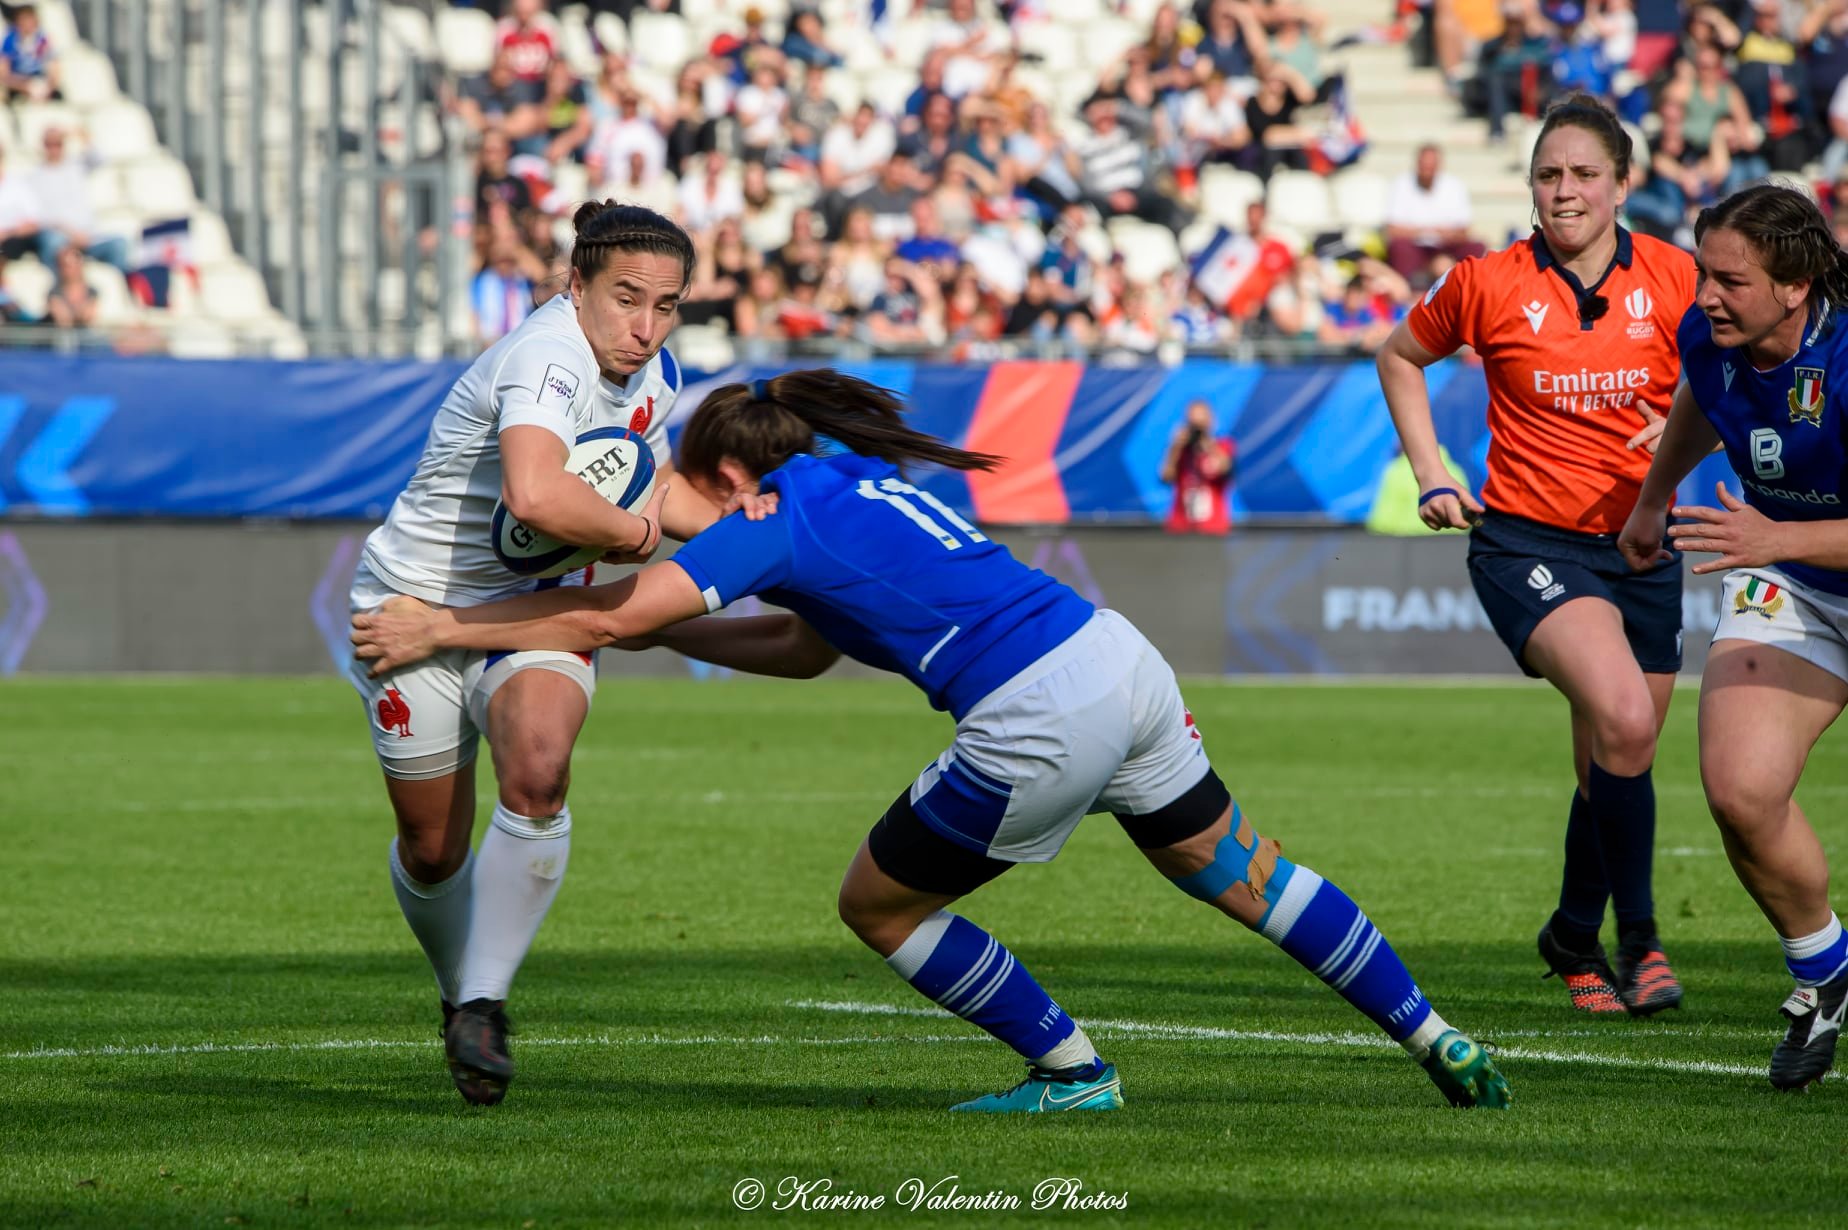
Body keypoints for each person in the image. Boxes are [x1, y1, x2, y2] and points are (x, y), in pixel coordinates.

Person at [352, 369, 1513, 1114]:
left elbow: (610, 607)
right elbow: (806, 650)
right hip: (1118, 660)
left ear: (722, 474)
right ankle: (1435, 1036)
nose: (658, 519)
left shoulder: (762, 516)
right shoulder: (847, 472)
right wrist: (661, 645)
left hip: (1030, 714)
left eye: (671, 492)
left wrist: (441, 623)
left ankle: (1071, 1074)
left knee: (880, 908)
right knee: (1247, 873)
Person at [348, 201, 725, 1108]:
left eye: (666, 306)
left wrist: (739, 542)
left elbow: (653, 479)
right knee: (432, 849)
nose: (645, 327)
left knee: (539, 768)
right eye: (626, 298)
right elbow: (539, 495)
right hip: (411, 612)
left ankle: (483, 1002)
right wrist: (639, 537)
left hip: (533, 612)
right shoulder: (546, 356)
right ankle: (457, 994)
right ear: (575, 287)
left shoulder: (655, 375)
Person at [1375, 93, 1698, 1018]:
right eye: (1549, 175)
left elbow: (1735, 386)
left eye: (1585, 174)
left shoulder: (1677, 278)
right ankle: (1642, 946)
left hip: (1644, 542)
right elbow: (1399, 356)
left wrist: (1688, 444)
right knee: (1627, 722)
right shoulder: (1486, 280)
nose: (1565, 192)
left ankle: (1569, 934)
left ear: (1623, 185)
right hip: (1527, 543)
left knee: (1613, 755)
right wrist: (1433, 473)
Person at [1618, 183, 1848, 1089]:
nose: (1706, 296)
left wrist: (1772, 537)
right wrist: (1649, 503)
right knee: (1740, 790)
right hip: (1790, 579)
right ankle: (1825, 974)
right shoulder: (1707, 338)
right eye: (1703, 273)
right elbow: (1697, 405)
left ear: (1794, 287)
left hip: (1778, 545)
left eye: (1730, 279)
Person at [1160, 399, 1236, 534]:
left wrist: (1208, 443)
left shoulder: (1223, 446)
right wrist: (1174, 447)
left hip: (1213, 527)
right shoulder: (1181, 450)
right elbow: (1165, 477)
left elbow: (1228, 470)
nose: (1196, 430)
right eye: (1192, 424)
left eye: (1200, 424)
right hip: (1181, 526)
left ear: (1210, 421)